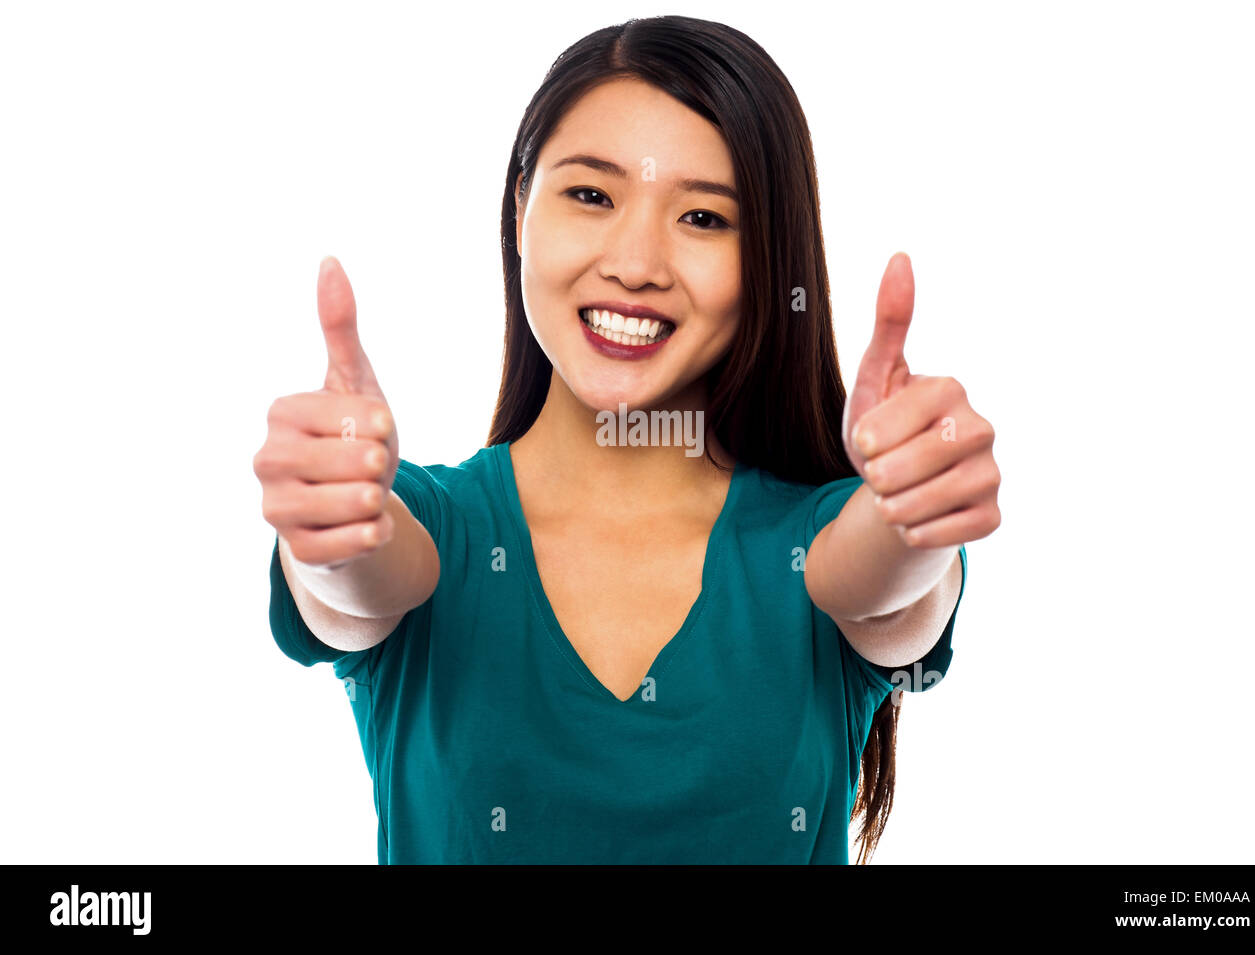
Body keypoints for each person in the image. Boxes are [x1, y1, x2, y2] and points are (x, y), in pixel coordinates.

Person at [254, 15, 1000, 864]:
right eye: (592, 195)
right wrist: (330, 521)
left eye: (705, 219)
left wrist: (912, 513)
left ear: (769, 262)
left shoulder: (817, 546)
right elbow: (364, 575)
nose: (637, 262)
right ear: (520, 208)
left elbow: (884, 589)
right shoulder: (435, 527)